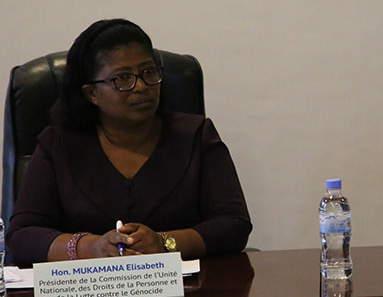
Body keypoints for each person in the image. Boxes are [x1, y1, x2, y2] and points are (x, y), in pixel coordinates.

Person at [7, 19, 252, 265]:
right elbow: (23, 236)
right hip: (86, 295)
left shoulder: (196, 135)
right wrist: (93, 247)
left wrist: (164, 243)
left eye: (149, 73)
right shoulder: (57, 145)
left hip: (186, 294)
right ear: (91, 94)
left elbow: (234, 224)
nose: (142, 86)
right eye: (122, 78)